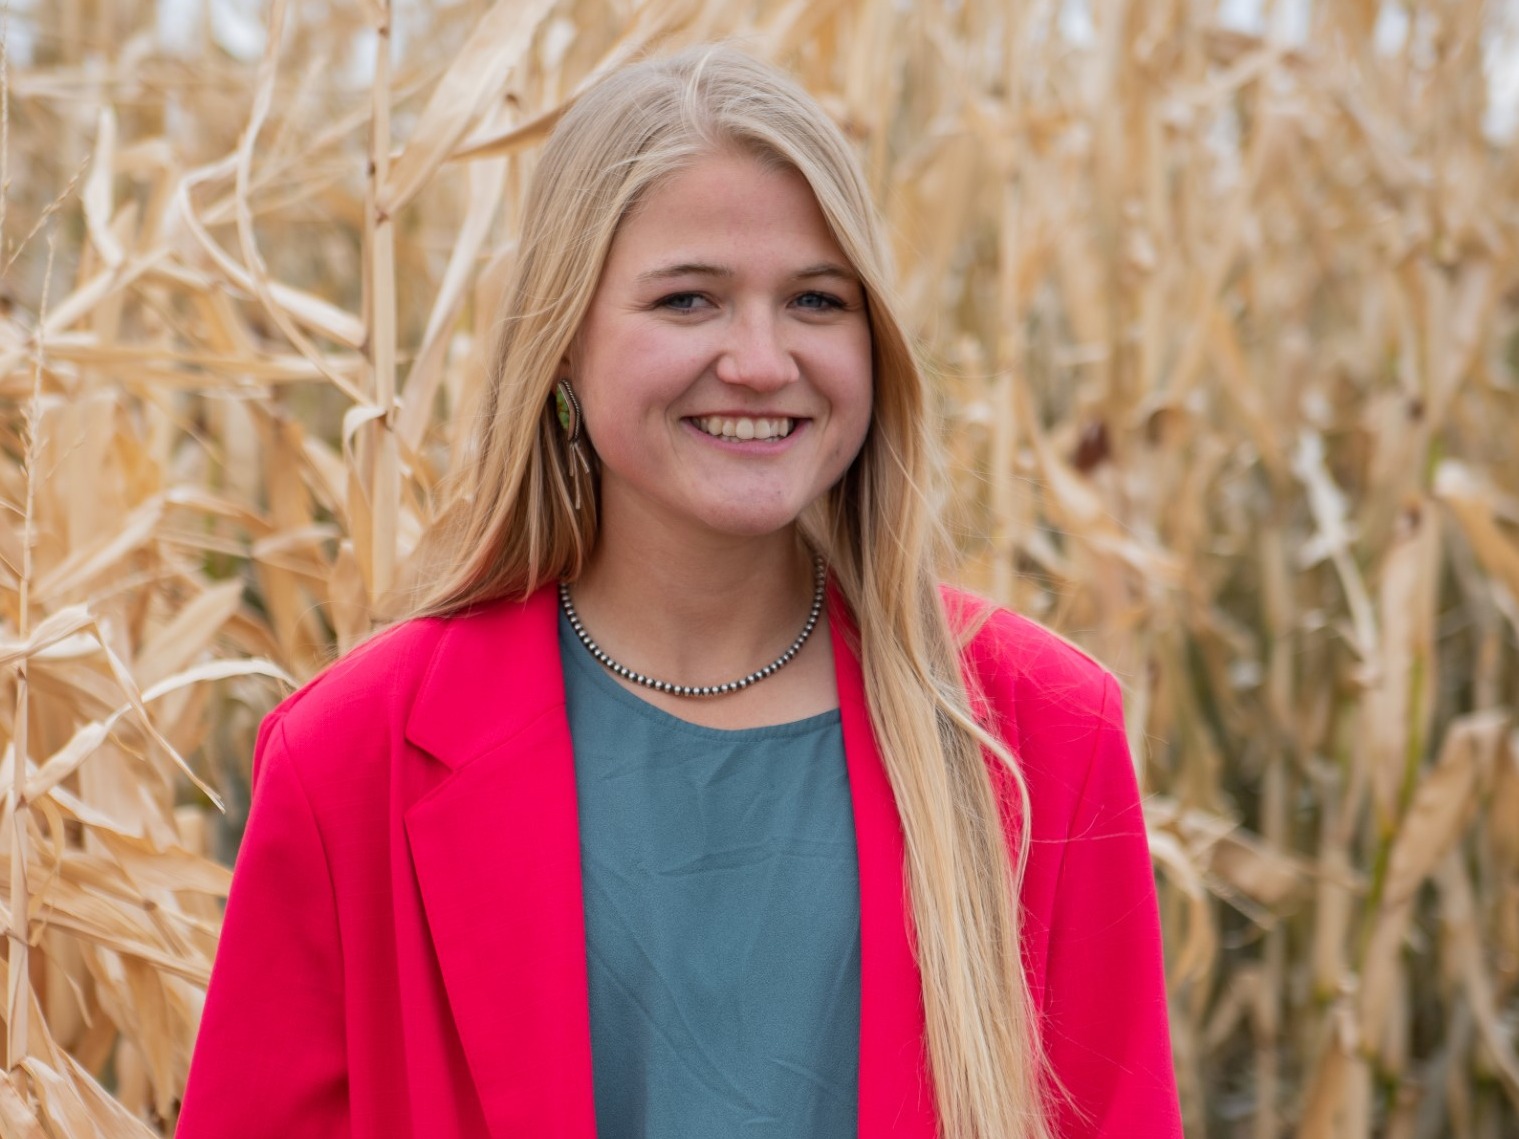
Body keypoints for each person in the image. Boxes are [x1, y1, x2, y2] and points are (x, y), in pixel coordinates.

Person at [177, 46, 1181, 1139]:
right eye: (688, 298)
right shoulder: (348, 760)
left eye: (814, 299)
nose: (759, 360)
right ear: (560, 345)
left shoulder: (1039, 733)